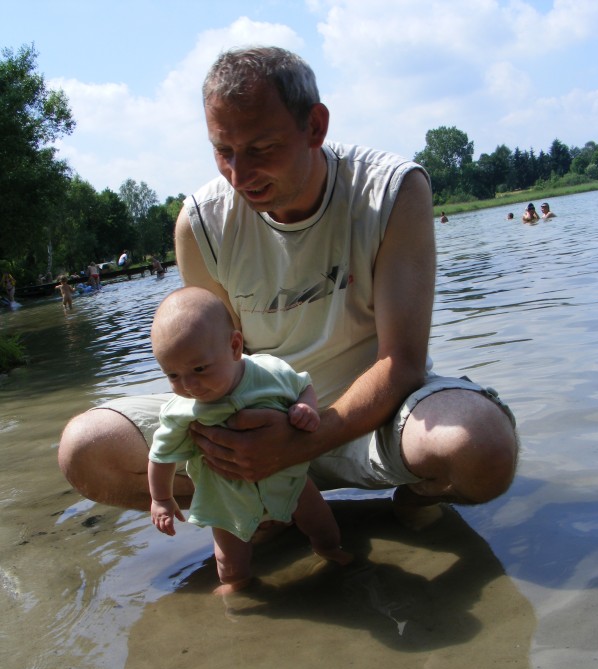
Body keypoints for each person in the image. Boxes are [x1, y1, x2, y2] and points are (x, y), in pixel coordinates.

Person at [58, 46, 517, 533]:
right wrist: (248, 450)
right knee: (85, 449)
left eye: (260, 149)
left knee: (483, 448)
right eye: (223, 151)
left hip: (376, 421)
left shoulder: (392, 191)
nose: (239, 175)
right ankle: (260, 509)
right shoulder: (201, 225)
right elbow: (215, 365)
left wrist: (297, 444)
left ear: (315, 126)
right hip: (256, 428)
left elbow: (400, 361)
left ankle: (414, 496)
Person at [148, 287, 352, 593]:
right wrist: (161, 499)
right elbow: (160, 456)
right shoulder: (181, 411)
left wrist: (306, 407)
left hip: (290, 481)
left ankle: (330, 551)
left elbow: (303, 385)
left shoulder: (269, 372)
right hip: (227, 499)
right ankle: (238, 586)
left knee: (322, 525)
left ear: (234, 346)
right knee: (229, 564)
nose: (188, 385)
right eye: (173, 376)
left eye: (199, 369)